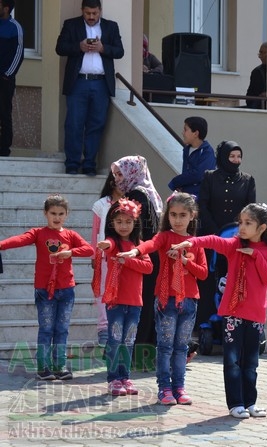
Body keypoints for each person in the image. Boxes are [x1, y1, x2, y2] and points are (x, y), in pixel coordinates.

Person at [172, 203, 267, 419]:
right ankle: (235, 404)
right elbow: (212, 240)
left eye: (248, 223)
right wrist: (190, 241)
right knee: (232, 361)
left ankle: (250, 403)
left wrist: (255, 256)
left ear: (262, 228)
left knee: (251, 363)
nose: (242, 226)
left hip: (256, 315)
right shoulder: (234, 245)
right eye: (241, 222)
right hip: (233, 313)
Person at [118, 192, 208, 405]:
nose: (177, 220)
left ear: (192, 216)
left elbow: (203, 273)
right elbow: (150, 244)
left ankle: (179, 387)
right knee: (165, 345)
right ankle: (164, 389)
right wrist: (135, 252)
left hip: (189, 300)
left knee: (181, 347)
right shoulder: (165, 237)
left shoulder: (195, 242)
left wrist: (185, 261)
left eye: (182, 215)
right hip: (166, 299)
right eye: (173, 215)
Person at [0, 194, 94, 380]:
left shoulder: (70, 235)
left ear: (67, 214)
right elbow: (19, 239)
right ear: (45, 213)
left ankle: (59, 366)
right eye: (53, 213)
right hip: (44, 289)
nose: (57, 217)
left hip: (66, 289)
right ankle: (43, 368)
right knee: (46, 328)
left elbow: (89, 249)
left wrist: (70, 252)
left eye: (61, 213)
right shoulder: (38, 233)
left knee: (62, 329)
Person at [55, 0, 124, 176]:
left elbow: (119, 51)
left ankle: (89, 164)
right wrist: (79, 46)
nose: (91, 17)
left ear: (100, 11)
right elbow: (60, 47)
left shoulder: (111, 27)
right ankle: (72, 163)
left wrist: (102, 48)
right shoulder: (71, 25)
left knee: (97, 125)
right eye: (87, 13)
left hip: (101, 83)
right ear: (82, 11)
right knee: (74, 124)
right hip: (78, 82)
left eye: (94, 13)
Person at [95, 198, 152, 396]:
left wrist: (127, 260)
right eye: (119, 222)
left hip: (135, 303)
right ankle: (113, 379)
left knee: (128, 341)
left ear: (135, 223)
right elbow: (109, 245)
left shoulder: (140, 246)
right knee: (114, 340)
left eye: (128, 222)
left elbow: (148, 267)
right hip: (116, 302)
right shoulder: (113, 242)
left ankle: (125, 377)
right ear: (112, 224)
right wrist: (105, 245)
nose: (123, 226)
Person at [197, 140, 256, 324]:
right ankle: (207, 322)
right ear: (223, 157)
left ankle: (235, 320)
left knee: (234, 277)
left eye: (239, 157)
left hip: (237, 238)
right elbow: (203, 205)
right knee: (210, 278)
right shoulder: (210, 177)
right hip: (212, 236)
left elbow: (250, 209)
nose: (236, 160)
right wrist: (216, 233)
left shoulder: (247, 180)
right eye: (232, 156)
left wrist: (238, 232)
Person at [111, 155, 162, 365]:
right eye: (115, 174)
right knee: (147, 303)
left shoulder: (135, 195)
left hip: (138, 255)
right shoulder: (148, 192)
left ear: (132, 172)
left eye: (120, 173)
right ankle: (145, 352)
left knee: (138, 304)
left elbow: (136, 229)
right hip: (148, 254)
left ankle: (135, 353)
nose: (117, 178)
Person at [90, 171, 123, 346]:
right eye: (117, 178)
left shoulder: (132, 204)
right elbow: (95, 232)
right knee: (102, 291)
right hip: (104, 256)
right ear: (111, 182)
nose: (120, 182)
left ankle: (117, 328)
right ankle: (103, 329)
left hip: (125, 256)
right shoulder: (101, 205)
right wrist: (94, 255)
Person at [168, 116, 216, 197]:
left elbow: (199, 175)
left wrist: (176, 182)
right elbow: (186, 172)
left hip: (200, 199)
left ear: (196, 133)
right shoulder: (186, 150)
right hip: (186, 196)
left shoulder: (207, 151)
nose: (183, 133)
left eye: (185, 129)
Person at [0, 0, 23, 157]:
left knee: (4, 114)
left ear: (6, 8)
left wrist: (7, 75)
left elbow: (19, 53)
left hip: (4, 79)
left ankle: (3, 150)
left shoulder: (15, 27)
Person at [245, 42, 267, 109]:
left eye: (263, 53)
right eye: (260, 53)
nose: (260, 56)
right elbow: (249, 97)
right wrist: (260, 97)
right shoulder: (256, 72)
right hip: (259, 108)